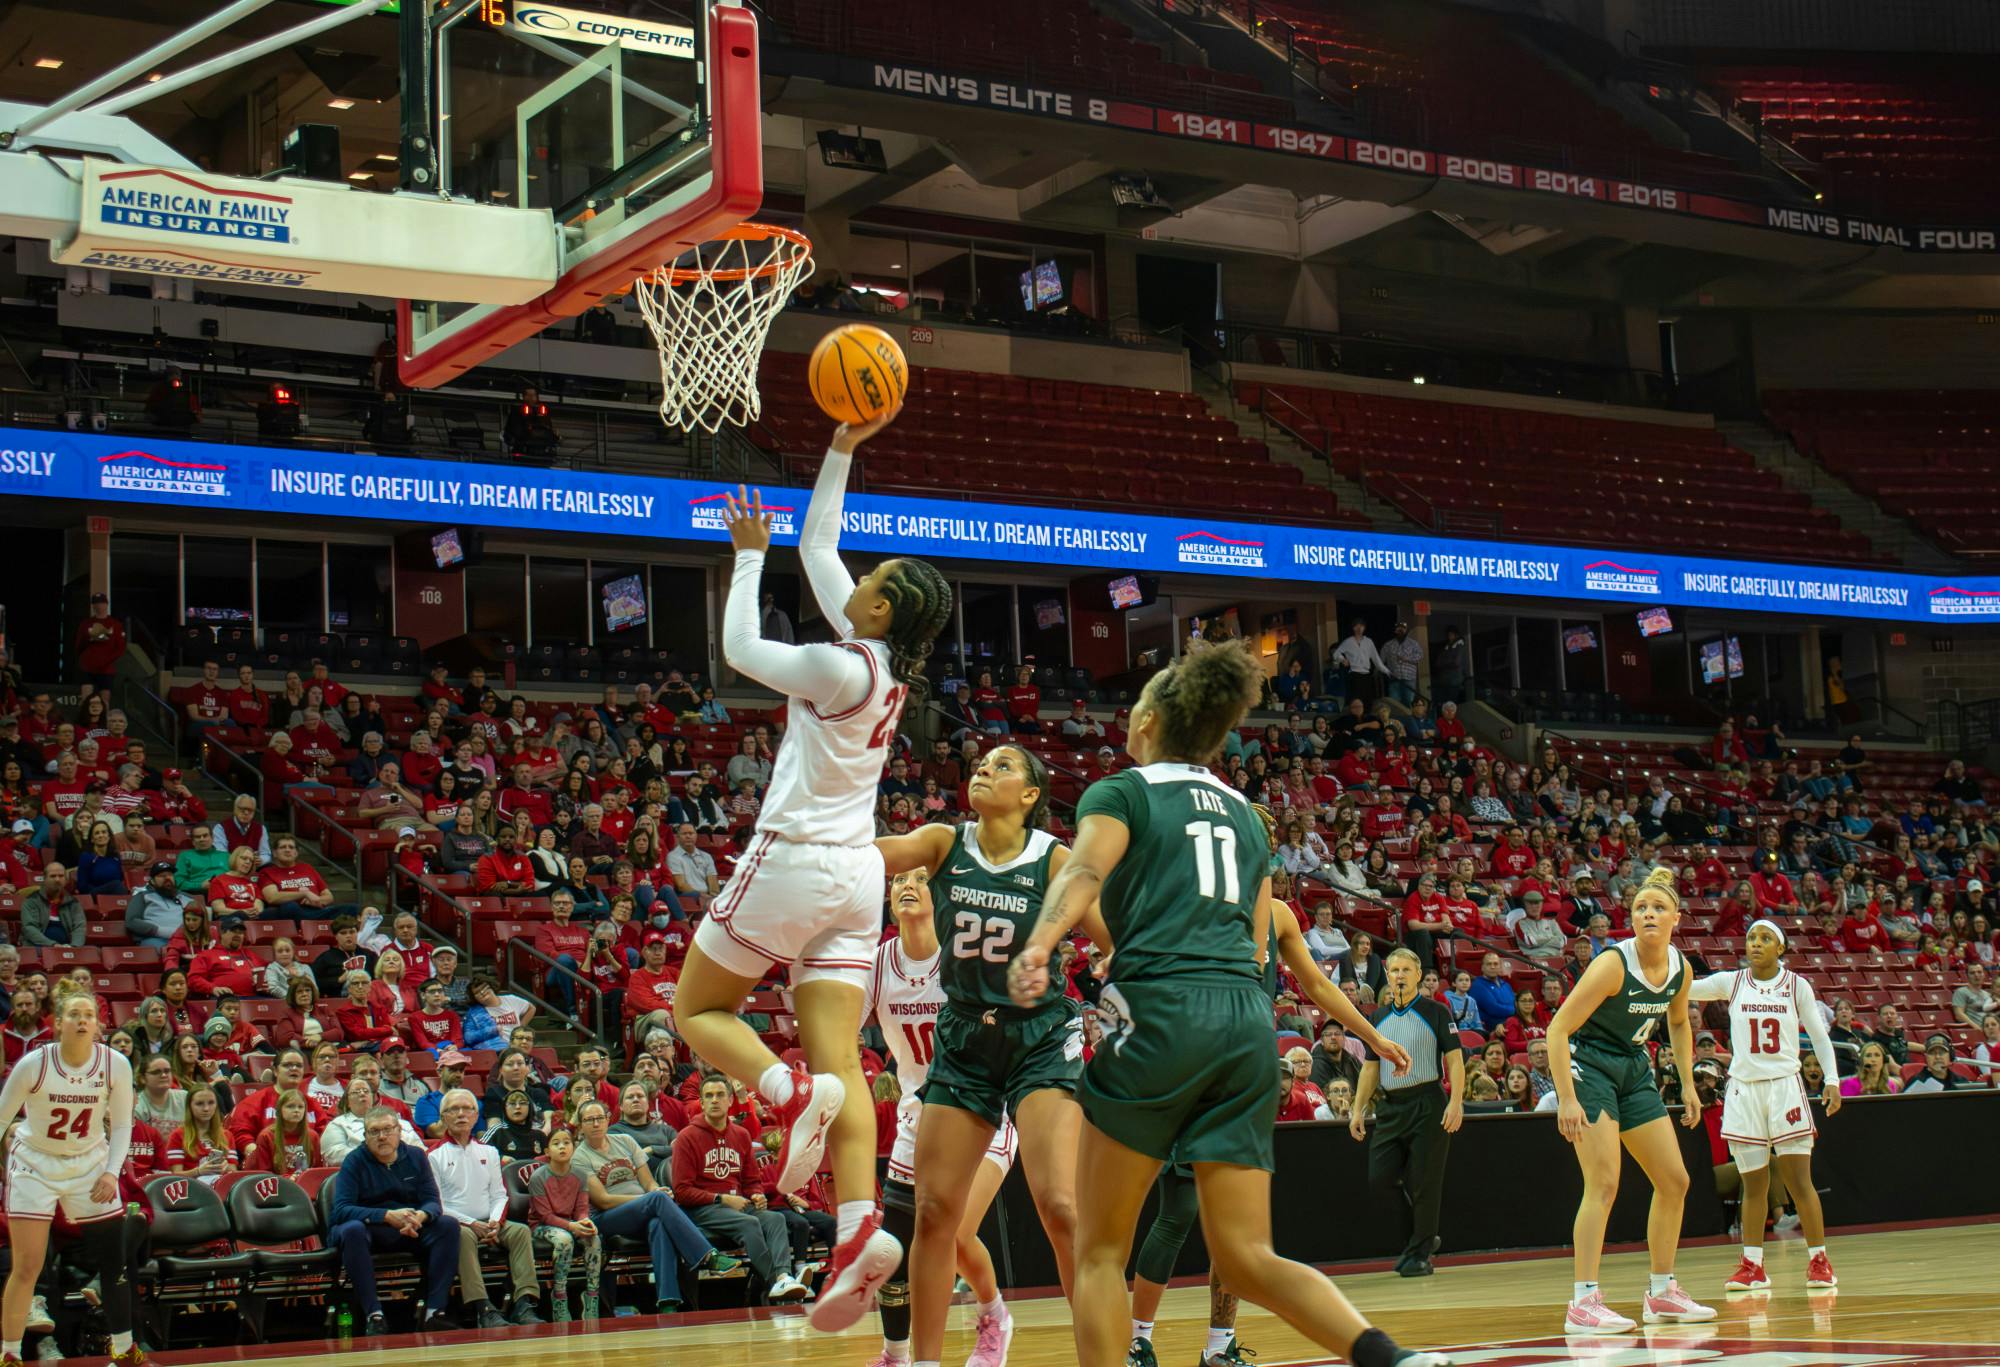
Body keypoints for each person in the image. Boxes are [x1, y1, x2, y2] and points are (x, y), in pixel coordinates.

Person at [1006, 638, 1449, 1367]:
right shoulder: (1245, 811)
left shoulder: (1122, 789)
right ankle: (1388, 1358)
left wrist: (1043, 940)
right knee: (1244, 1254)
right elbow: (1249, 932)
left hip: (1160, 1011)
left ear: (1149, 719)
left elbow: (1084, 865)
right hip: (1247, 1024)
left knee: (1098, 1250)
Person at [674, 410, 950, 1335]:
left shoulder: (839, 666)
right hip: (856, 876)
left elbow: (743, 653)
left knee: (698, 1011)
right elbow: (822, 536)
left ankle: (787, 1094)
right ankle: (857, 1227)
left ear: (874, 609)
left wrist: (747, 556)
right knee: (851, 1063)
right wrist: (840, 441)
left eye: (869, 580)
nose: (855, 574)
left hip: (794, 860)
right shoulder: (889, 667)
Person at [874, 743, 1090, 1367]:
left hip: (1039, 1036)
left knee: (1060, 1206)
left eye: (1004, 765)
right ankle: (925, 1362)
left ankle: (1104, 1351)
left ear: (1030, 796)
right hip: (965, 1039)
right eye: (982, 762)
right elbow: (871, 855)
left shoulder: (1055, 859)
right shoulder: (944, 842)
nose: (984, 769)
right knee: (936, 1214)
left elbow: (1110, 929)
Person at [861, 867, 1021, 1367]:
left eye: (920, 878)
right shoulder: (877, 964)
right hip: (917, 1117)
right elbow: (841, 1030)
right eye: (899, 880)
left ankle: (994, 1315)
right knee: (894, 1247)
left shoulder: (966, 954)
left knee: (950, 1232)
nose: (907, 885)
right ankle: (895, 1354)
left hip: (983, 1107)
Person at [1547, 867, 1712, 1333]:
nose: (1648, 914)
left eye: (1658, 908)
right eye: (1640, 908)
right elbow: (1558, 1029)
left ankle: (1662, 1293)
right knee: (1603, 1183)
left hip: (1635, 1069)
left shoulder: (1681, 967)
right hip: (1591, 1066)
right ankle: (1583, 1301)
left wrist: (1685, 1082)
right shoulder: (1612, 964)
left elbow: (1679, 1024)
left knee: (1675, 1180)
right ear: (1632, 918)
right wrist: (1566, 1099)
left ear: (1676, 918)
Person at [1686, 919, 1841, 1293]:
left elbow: (1819, 1037)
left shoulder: (1796, 985)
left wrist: (1833, 1081)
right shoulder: (1732, 981)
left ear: (1781, 948)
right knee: (1752, 1185)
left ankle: (1819, 1261)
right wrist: (1661, 964)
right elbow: (1686, 987)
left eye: (1765, 938)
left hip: (1785, 1087)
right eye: (1752, 937)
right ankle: (1752, 1265)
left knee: (1798, 1182)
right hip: (1744, 1091)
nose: (1756, 943)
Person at [0, 995, 148, 1367]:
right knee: (28, 1265)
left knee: (114, 1263)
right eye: (74, 1015)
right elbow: (2, 1119)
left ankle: (124, 1347)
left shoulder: (115, 1064)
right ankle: (10, 1353)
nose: (83, 1021)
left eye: (89, 1016)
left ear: (98, 1024)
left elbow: (123, 1125)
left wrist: (111, 1172)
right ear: (58, 1023)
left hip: (89, 1162)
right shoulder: (34, 1064)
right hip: (36, 1162)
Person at [1349, 947, 1464, 1278]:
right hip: (1390, 1105)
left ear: (1418, 975)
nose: (1399, 976)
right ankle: (1423, 1237)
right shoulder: (1378, 1018)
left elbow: (1455, 1060)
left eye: (1405, 970)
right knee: (1379, 1179)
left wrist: (1455, 1101)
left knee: (1425, 1183)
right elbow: (1371, 1067)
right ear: (1388, 976)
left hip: (1428, 1103)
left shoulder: (1437, 1012)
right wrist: (1358, 1109)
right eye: (1394, 971)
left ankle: (1420, 1253)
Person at [570, 1098, 737, 1315]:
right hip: (606, 1218)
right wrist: (652, 1199)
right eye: (589, 1120)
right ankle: (707, 1256)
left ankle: (668, 1301)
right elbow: (603, 1200)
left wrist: (658, 1190)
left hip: (644, 1210)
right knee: (657, 1201)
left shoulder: (625, 1141)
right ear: (581, 1125)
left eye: (599, 1118)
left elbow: (648, 1182)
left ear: (608, 1120)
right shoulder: (580, 1157)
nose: (595, 1124)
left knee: (658, 1223)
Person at [672, 1076, 812, 1303]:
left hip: (738, 1205)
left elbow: (751, 1179)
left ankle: (785, 1275)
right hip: (702, 1209)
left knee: (774, 1219)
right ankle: (777, 1282)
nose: (714, 1100)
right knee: (750, 1224)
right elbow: (681, 1192)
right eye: (708, 1096)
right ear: (702, 1102)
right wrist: (721, 1198)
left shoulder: (741, 1135)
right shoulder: (686, 1137)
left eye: (720, 1095)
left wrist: (756, 1193)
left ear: (730, 1101)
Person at [329, 1105, 461, 1335]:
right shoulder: (354, 1161)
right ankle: (374, 1315)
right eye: (374, 1131)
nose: (382, 1136)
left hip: (409, 1227)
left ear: (399, 1131)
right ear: (365, 1136)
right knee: (351, 1230)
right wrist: (386, 1216)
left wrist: (420, 1216)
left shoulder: (417, 1156)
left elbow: (432, 1201)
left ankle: (434, 1312)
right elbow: (341, 1210)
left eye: (388, 1129)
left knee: (448, 1225)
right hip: (371, 1229)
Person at [431, 1089, 543, 1327]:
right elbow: (437, 1204)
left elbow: (499, 1195)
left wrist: (495, 1223)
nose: (462, 1114)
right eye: (454, 1109)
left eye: (468, 1108)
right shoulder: (432, 1155)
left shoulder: (489, 1151)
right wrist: (472, 1223)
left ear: (475, 1116)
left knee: (520, 1231)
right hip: (460, 1225)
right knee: (460, 1235)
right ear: (443, 1117)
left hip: (490, 1223)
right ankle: (483, 1307)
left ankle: (524, 1303)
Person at [527, 1126, 603, 1323]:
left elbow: (581, 1209)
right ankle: (560, 1296)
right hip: (542, 1227)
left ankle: (592, 1297)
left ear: (574, 1147)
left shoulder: (580, 1175)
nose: (562, 1147)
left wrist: (585, 1222)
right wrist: (572, 1227)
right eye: (556, 1143)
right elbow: (544, 1216)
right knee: (564, 1240)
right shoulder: (538, 1177)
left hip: (570, 1223)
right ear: (547, 1152)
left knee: (593, 1238)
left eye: (567, 1142)